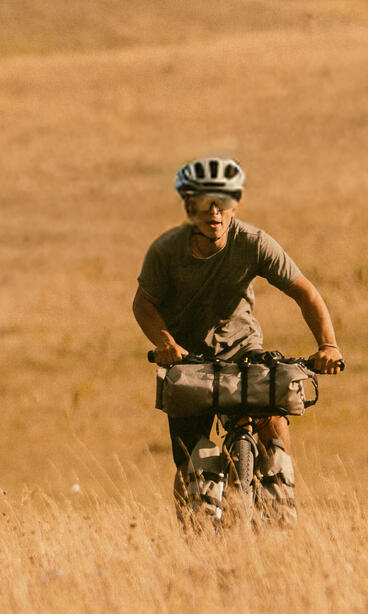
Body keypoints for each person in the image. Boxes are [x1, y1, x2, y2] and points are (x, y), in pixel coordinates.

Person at [133, 156, 344, 511]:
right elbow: (143, 303)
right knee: (191, 466)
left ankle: (277, 514)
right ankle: (196, 531)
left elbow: (305, 292)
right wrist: (165, 343)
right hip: (189, 360)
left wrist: (328, 345)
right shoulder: (166, 251)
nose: (214, 212)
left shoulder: (253, 242)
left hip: (244, 352)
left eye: (224, 201)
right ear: (190, 207)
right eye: (205, 203)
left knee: (274, 431)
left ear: (236, 204)